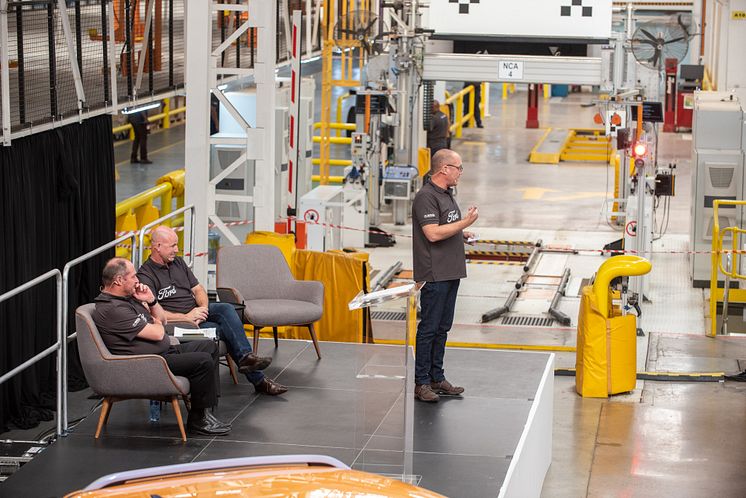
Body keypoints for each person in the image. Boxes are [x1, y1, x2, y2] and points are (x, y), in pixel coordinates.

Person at [137, 226, 288, 396]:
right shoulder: (145, 276)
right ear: (157, 246)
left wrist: (202, 307)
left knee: (226, 308)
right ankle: (259, 380)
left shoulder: (178, 262)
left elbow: (199, 289)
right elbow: (154, 314)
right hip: (179, 330)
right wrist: (186, 317)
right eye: (172, 246)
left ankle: (247, 358)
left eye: (176, 245)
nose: (176, 250)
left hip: (198, 314)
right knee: (225, 332)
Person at [92, 257, 231, 436]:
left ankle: (204, 411)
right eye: (133, 277)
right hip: (149, 362)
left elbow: (162, 320)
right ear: (119, 280)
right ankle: (197, 420)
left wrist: (151, 301)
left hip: (163, 351)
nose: (137, 280)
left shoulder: (128, 298)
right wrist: (157, 323)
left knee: (208, 346)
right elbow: (158, 332)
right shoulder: (112, 309)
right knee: (202, 361)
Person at [411, 149, 478, 402]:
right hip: (435, 272)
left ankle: (437, 377)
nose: (461, 172)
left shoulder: (447, 194)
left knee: (442, 328)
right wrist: (465, 224)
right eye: (458, 167)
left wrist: (462, 234)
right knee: (428, 328)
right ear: (444, 169)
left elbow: (445, 227)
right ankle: (421, 383)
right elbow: (432, 233)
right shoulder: (426, 197)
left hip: (451, 270)